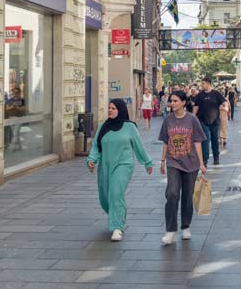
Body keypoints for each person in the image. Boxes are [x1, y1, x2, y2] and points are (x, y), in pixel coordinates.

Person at [86, 100, 153, 242]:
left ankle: (117, 227)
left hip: (124, 164)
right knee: (105, 197)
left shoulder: (130, 127)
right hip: (105, 165)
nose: (110, 110)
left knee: (116, 193)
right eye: (109, 108)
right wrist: (92, 159)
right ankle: (117, 214)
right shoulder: (103, 126)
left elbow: (139, 145)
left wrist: (147, 162)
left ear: (120, 110)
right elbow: (96, 146)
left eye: (113, 108)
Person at [159, 91, 206, 245]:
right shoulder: (168, 120)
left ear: (184, 103)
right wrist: (162, 161)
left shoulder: (192, 119)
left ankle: (185, 226)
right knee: (172, 193)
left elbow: (198, 141)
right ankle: (171, 230)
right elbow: (166, 141)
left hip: (191, 163)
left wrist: (201, 163)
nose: (172, 103)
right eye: (171, 101)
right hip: (173, 162)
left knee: (187, 196)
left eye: (175, 101)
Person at [195, 78, 226, 166]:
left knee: (214, 139)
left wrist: (226, 107)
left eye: (203, 83)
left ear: (208, 84)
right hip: (202, 120)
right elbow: (196, 107)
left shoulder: (216, 94)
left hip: (215, 121)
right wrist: (193, 118)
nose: (202, 85)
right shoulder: (200, 95)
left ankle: (216, 157)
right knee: (205, 139)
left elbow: (224, 102)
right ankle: (205, 160)